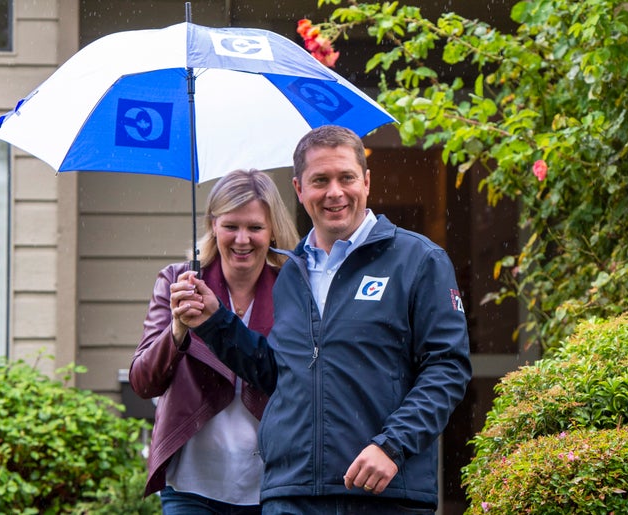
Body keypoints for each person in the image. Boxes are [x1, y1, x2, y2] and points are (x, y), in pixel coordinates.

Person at [170, 125, 472, 515]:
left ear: (365, 182)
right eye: (320, 180)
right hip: (290, 494)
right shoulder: (290, 272)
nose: (334, 192)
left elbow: (447, 368)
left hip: (383, 493)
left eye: (346, 177)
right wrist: (214, 321)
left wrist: (393, 445)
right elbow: (278, 374)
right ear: (299, 189)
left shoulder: (419, 260)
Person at [129, 168, 299, 514]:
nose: (242, 239)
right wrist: (177, 330)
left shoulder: (292, 288)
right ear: (212, 225)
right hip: (191, 486)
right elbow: (144, 382)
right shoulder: (179, 281)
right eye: (231, 226)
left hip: (268, 485)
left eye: (255, 227)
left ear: (272, 230)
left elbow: (294, 380)